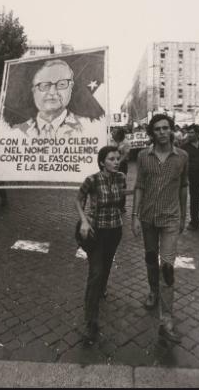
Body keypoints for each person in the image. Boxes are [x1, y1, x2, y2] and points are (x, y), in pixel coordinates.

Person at [131, 114, 188, 344]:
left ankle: (167, 321)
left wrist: (184, 216)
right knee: (150, 258)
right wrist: (134, 216)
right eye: (158, 129)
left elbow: (184, 187)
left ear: (171, 130)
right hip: (147, 218)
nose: (163, 132)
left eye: (166, 128)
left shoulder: (182, 156)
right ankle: (153, 291)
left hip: (171, 219)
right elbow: (139, 187)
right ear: (151, 133)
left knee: (167, 267)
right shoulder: (143, 156)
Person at [75, 146, 129, 345]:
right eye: (111, 159)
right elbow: (78, 200)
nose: (116, 161)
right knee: (96, 272)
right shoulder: (92, 179)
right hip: (95, 232)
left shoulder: (121, 177)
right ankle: (91, 323)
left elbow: (122, 197)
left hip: (115, 231)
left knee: (106, 266)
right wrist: (84, 221)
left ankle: (102, 288)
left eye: (118, 158)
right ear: (101, 162)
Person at [14, 59, 93, 138]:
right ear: (34, 90)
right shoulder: (16, 131)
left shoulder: (89, 127)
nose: (52, 92)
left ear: (71, 88)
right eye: (44, 85)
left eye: (62, 84)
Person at [111, 128, 131, 212]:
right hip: (113, 163)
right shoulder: (113, 141)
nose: (113, 133)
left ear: (119, 134)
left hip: (122, 165)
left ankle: (121, 205)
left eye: (115, 132)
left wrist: (118, 162)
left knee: (122, 184)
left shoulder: (126, 142)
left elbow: (125, 155)